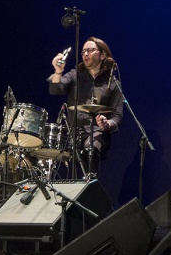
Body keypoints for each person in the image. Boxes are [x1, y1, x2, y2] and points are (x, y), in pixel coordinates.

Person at [48, 37, 123, 177]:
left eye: (90, 50)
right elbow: (55, 90)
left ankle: (90, 189)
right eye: (83, 51)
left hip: (97, 132)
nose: (85, 54)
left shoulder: (113, 83)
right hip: (73, 132)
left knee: (91, 149)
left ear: (102, 55)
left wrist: (107, 124)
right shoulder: (75, 75)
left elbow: (117, 116)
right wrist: (58, 71)